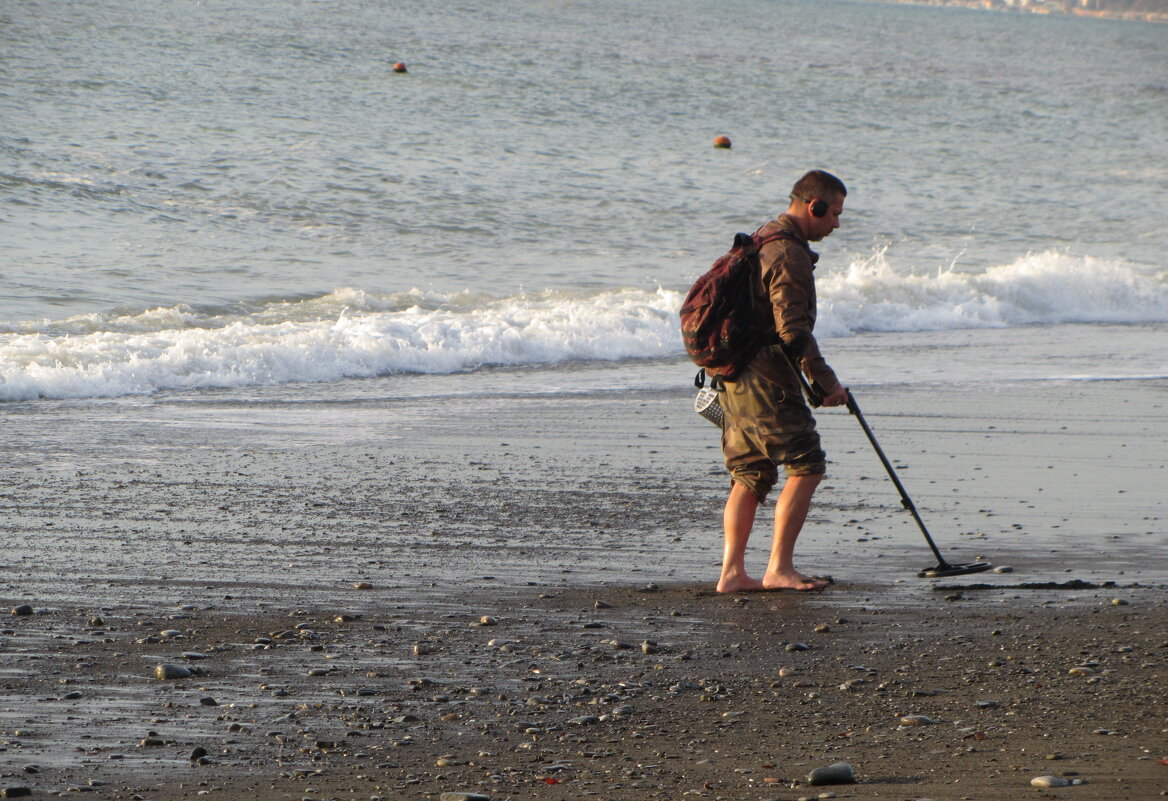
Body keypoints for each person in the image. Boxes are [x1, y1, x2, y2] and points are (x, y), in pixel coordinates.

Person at [715, 169, 849, 593]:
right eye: (835, 214)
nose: (837, 224)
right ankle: (779, 569)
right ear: (816, 206)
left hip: (732, 372)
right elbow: (792, 331)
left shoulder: (761, 238)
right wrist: (826, 384)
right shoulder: (788, 254)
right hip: (765, 378)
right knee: (806, 464)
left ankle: (733, 574)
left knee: (750, 473)